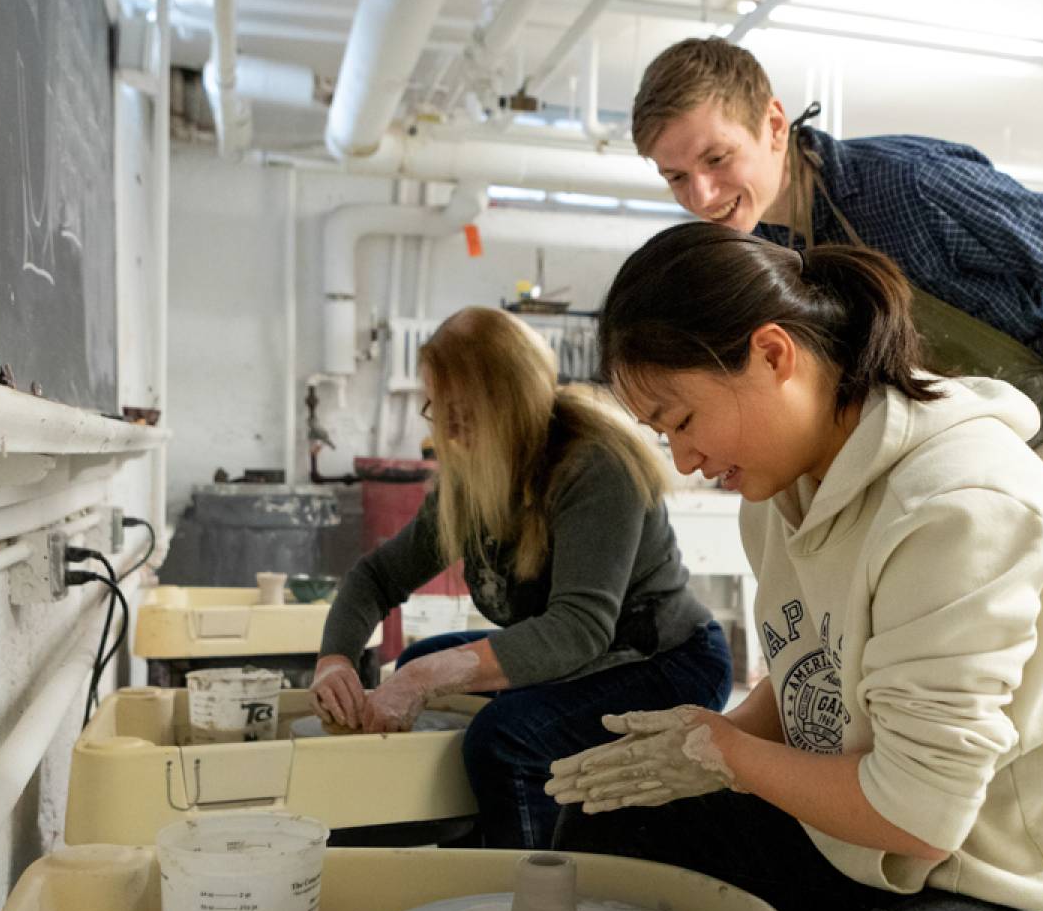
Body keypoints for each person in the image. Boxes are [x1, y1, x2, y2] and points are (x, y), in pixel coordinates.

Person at [546, 223, 1043, 911]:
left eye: (683, 420)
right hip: (891, 850)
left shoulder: (958, 505)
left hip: (1040, 901)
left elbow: (916, 816)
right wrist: (714, 739)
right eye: (663, 434)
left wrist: (726, 754)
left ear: (773, 354)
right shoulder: (780, 491)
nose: (685, 461)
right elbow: (816, 669)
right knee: (605, 815)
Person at [632, 36, 1043, 542]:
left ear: (772, 125)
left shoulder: (909, 184)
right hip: (927, 471)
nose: (700, 195)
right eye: (676, 177)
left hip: (1041, 452)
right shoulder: (757, 244)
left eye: (717, 159)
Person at [310, 307, 732, 850]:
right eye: (439, 408)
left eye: (464, 410)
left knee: (503, 737)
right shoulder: (472, 476)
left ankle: (527, 895)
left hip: (665, 660)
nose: (449, 429)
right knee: (418, 665)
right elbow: (375, 577)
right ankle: (468, 853)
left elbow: (579, 630)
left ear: (512, 401)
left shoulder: (593, 465)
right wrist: (334, 660)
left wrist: (422, 681)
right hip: (589, 655)